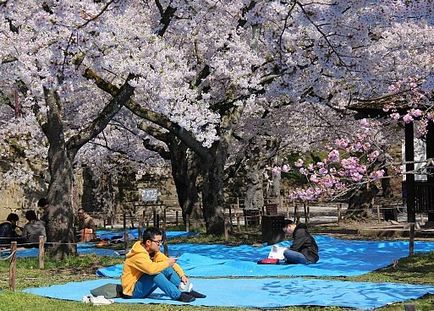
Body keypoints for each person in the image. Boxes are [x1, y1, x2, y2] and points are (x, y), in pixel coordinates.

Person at [121, 227, 206, 302]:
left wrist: (182, 275)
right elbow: (151, 270)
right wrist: (168, 263)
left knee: (166, 267)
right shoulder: (138, 255)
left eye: (160, 241)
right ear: (148, 242)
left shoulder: (154, 252)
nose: (160, 244)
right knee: (154, 274)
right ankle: (178, 295)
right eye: (157, 242)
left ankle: (186, 290)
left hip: (143, 286)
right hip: (132, 292)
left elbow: (170, 263)